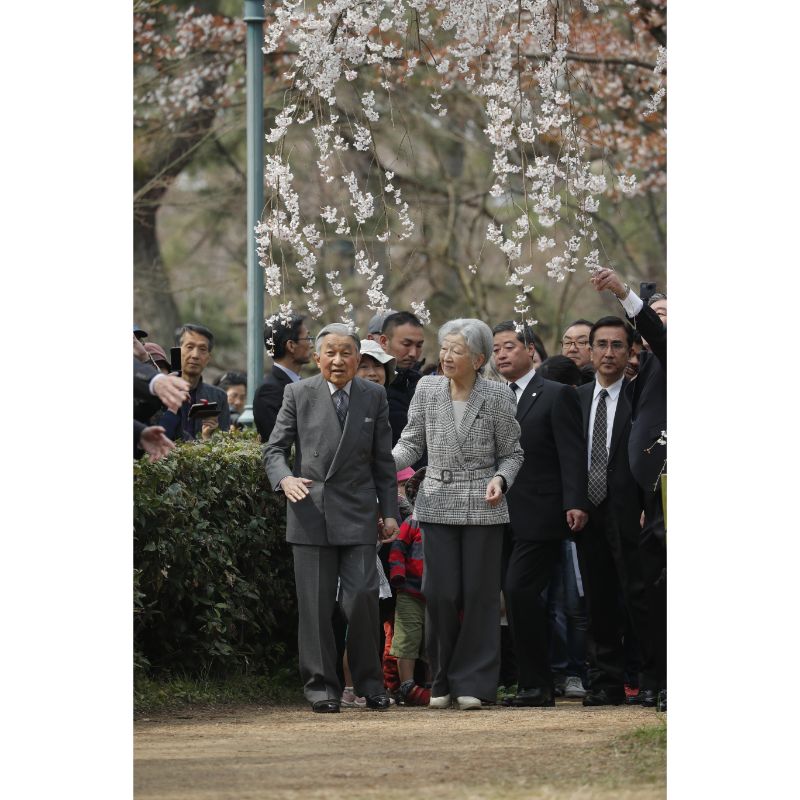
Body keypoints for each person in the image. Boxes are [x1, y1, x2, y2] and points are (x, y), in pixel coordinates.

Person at [263, 323, 399, 713]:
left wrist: (389, 512)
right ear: (318, 357)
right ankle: (321, 687)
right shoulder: (297, 392)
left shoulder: (373, 395)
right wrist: (284, 478)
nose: (338, 361)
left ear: (359, 358)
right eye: (330, 353)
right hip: (310, 509)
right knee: (317, 606)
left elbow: (382, 461)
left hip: (358, 511)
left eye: (346, 353)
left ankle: (370, 684)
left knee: (362, 601)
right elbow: (274, 450)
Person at [392, 318, 524, 711]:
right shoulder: (428, 388)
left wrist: (501, 478)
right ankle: (441, 678)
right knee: (440, 593)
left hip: (485, 501)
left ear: (479, 358)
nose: (447, 357)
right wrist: (385, 462)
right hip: (436, 500)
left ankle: (475, 682)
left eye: (457, 351)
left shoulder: (498, 396)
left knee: (481, 596)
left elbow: (513, 452)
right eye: (445, 349)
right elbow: (411, 441)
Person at [491, 321, 588, 708]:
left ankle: (539, 684)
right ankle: (528, 682)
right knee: (514, 599)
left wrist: (575, 501)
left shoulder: (555, 393)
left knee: (520, 590)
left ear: (530, 350)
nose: (501, 354)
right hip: (496, 513)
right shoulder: (491, 396)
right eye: (496, 348)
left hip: (543, 511)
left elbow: (571, 451)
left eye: (509, 346)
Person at [590, 269, 667, 710]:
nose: (657, 323)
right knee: (649, 591)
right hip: (650, 496)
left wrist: (625, 295)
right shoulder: (645, 376)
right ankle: (654, 679)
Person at [574, 315, 655, 707]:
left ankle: (652, 679)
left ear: (630, 352)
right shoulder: (573, 398)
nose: (609, 353)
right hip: (588, 512)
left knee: (639, 595)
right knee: (599, 598)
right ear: (589, 351)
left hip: (633, 511)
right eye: (601, 345)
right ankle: (605, 681)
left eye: (617, 345)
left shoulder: (642, 396)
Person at [389, 467, 430, 706]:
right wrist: (398, 575)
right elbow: (397, 549)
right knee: (407, 639)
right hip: (409, 591)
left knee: (434, 639)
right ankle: (406, 685)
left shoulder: (446, 526)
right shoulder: (410, 523)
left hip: (437, 594)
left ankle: (434, 685)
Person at [158, 323, 230, 442]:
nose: (195, 355)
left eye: (202, 349)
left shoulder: (219, 397)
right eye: (189, 347)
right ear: (177, 351)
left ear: (208, 358)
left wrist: (211, 436)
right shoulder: (160, 390)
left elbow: (226, 443)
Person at [253, 315, 313, 442]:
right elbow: (276, 442)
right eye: (307, 338)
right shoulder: (269, 391)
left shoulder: (303, 384)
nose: (311, 344)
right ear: (291, 346)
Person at [379, 311, 426, 446]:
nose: (413, 353)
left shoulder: (423, 385)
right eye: (406, 344)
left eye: (419, 346)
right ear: (384, 341)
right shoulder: (370, 385)